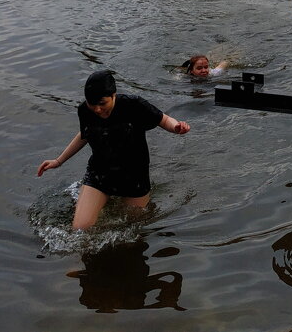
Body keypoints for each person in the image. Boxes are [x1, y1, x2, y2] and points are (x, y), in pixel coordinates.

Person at [36, 70, 190, 230]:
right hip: (100, 172)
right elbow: (85, 134)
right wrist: (58, 161)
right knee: (80, 229)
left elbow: (163, 120)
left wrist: (176, 127)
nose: (97, 109)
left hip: (134, 174)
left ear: (114, 95)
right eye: (92, 104)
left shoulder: (134, 105)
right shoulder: (84, 110)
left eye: (102, 103)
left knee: (133, 227)